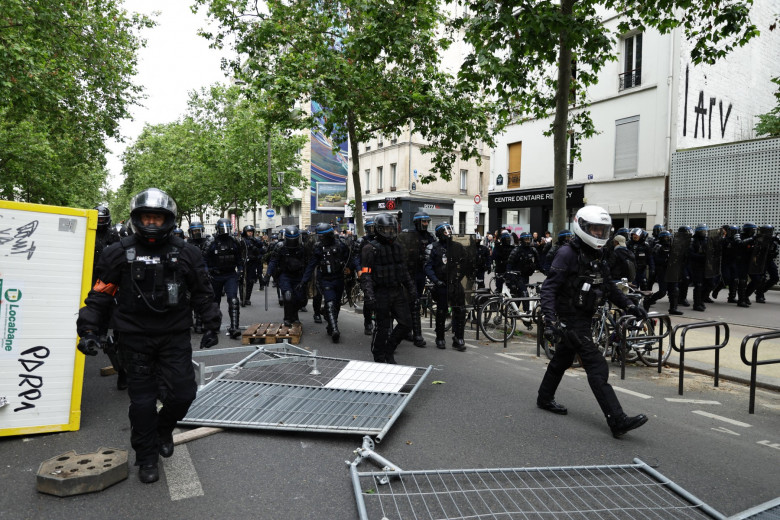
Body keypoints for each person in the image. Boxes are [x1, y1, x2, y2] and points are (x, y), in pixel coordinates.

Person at [76, 188, 221, 484]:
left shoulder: (186, 252)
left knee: (183, 394)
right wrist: (89, 330)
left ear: (167, 219)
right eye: (147, 218)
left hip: (174, 336)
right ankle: (146, 457)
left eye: (157, 218)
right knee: (141, 402)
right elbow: (100, 295)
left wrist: (211, 324)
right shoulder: (117, 252)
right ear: (136, 218)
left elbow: (203, 293)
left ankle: (163, 429)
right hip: (134, 338)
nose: (152, 224)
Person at [537, 205, 648, 438]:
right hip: (570, 320)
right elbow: (548, 289)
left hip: (584, 318)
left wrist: (630, 305)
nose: (599, 234)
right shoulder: (567, 254)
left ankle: (544, 398)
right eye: (595, 230)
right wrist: (549, 322)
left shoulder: (598, 254)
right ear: (582, 227)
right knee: (597, 366)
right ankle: (616, 419)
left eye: (602, 230)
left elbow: (607, 287)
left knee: (561, 360)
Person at [361, 213, 416, 364]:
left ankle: (389, 350)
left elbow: (403, 270)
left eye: (392, 229)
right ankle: (379, 357)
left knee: (406, 324)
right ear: (378, 229)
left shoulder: (398, 247)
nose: (389, 232)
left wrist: (411, 288)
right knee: (383, 328)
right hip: (381, 292)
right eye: (386, 229)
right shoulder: (369, 249)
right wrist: (369, 295)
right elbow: (365, 276)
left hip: (397, 291)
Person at [299, 223, 353, 342]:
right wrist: (304, 281)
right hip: (325, 279)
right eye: (320, 236)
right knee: (329, 303)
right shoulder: (318, 247)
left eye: (323, 236)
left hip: (338, 278)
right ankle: (335, 329)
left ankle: (331, 324)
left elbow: (349, 259)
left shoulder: (341, 245)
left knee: (336, 304)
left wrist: (350, 272)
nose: (321, 239)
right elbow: (312, 264)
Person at [424, 222, 468, 351]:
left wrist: (459, 276)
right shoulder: (433, 247)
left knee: (460, 310)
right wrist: (436, 281)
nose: (448, 233)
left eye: (449, 230)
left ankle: (459, 338)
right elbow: (427, 266)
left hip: (455, 283)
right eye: (445, 231)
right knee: (442, 311)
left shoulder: (458, 247)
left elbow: (465, 263)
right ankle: (440, 337)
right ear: (439, 233)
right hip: (441, 283)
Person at [204, 218, 243, 339]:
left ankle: (234, 327)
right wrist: (207, 272)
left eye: (227, 229)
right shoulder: (211, 243)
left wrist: (240, 270)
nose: (225, 232)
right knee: (215, 303)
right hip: (215, 275)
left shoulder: (234, 242)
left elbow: (239, 258)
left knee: (233, 300)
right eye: (223, 229)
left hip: (230, 275)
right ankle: (214, 326)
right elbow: (204, 260)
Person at [263, 225, 309, 327]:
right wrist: (268, 275)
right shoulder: (280, 247)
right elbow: (273, 261)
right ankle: (288, 318)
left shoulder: (302, 247)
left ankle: (294, 315)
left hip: (298, 276)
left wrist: (307, 278)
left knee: (301, 300)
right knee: (288, 296)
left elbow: (307, 263)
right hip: (285, 275)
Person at [353, 217, 376, 335]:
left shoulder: (381, 240)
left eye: (374, 227)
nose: (372, 230)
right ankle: (368, 323)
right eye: (370, 227)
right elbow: (356, 257)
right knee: (368, 299)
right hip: (366, 273)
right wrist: (358, 270)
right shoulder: (361, 241)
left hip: (378, 274)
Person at [239, 225, 265, 306]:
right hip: (244, 263)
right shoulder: (241, 240)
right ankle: (242, 297)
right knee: (242, 280)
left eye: (251, 231)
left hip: (252, 263)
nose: (250, 233)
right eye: (248, 231)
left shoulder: (255, 240)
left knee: (250, 281)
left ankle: (247, 298)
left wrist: (255, 242)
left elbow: (262, 248)